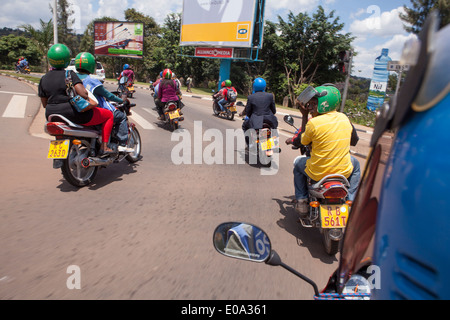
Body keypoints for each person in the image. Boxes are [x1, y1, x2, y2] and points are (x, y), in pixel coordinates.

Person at [285, 85, 360, 216]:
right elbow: (354, 141)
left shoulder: (313, 123)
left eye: (314, 103)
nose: (310, 107)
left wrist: (304, 116)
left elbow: (303, 141)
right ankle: (351, 200)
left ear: (325, 103)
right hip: (343, 170)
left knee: (298, 164)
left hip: (318, 172)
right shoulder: (344, 118)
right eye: (310, 103)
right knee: (356, 164)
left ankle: (302, 200)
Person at [38, 43, 114, 155]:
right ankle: (104, 146)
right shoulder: (69, 74)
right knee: (108, 115)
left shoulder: (44, 78)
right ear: (67, 60)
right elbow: (83, 94)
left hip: (51, 115)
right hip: (73, 114)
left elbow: (44, 103)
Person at [74, 52, 134, 153]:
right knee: (121, 116)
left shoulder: (72, 78)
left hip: (78, 111)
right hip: (96, 111)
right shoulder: (91, 80)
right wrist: (120, 100)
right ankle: (122, 144)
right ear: (91, 65)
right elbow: (108, 95)